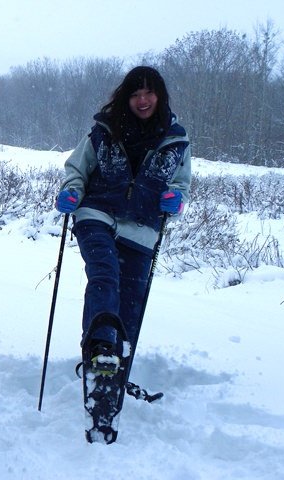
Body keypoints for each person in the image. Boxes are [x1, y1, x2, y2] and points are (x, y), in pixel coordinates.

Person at [55, 66, 191, 430]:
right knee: (105, 274)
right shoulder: (103, 131)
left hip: (142, 229)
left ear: (160, 97)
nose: (142, 100)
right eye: (135, 93)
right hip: (96, 213)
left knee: (132, 296)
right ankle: (100, 352)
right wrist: (71, 190)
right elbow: (77, 168)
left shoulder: (176, 140)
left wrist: (174, 200)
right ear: (125, 98)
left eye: (149, 93)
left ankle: (117, 369)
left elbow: (181, 184)